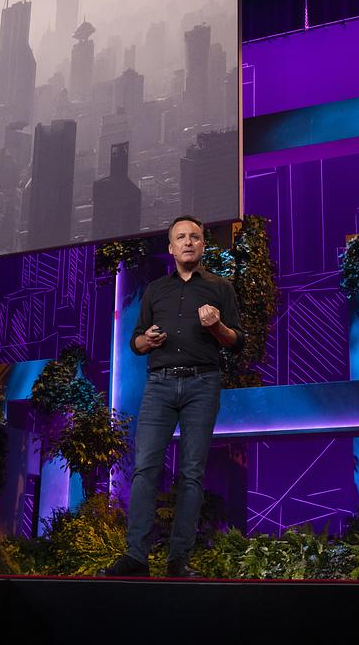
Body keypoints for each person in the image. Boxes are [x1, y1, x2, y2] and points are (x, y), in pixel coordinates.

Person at [98, 215, 246, 578]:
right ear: (171, 247)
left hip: (203, 383)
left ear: (203, 244)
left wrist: (218, 327)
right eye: (181, 237)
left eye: (195, 236)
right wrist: (145, 341)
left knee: (192, 473)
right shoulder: (154, 291)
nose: (188, 242)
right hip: (159, 385)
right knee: (145, 469)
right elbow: (135, 343)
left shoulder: (221, 288)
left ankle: (178, 560)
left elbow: (238, 342)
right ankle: (136, 557)